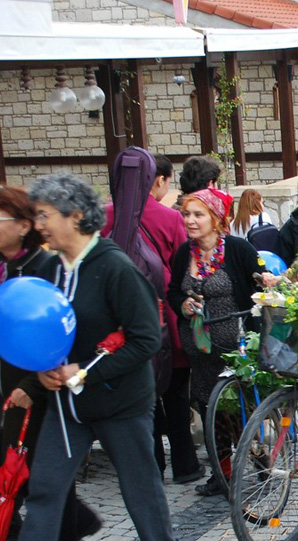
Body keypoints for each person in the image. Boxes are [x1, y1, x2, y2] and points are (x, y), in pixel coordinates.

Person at [0, 174, 181, 541]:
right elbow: (46, 334)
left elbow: (146, 339)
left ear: (75, 216)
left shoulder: (115, 268)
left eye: (45, 215)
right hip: (67, 406)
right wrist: (41, 376)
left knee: (139, 486)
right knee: (45, 488)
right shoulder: (52, 269)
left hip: (120, 403)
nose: (39, 225)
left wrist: (86, 373)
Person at [0, 186, 100, 541]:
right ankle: (79, 522)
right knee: (10, 465)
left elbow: (56, 333)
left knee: (42, 473)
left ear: (23, 226)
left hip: (37, 388)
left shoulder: (44, 268)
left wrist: (33, 384)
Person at [101, 153, 201, 484]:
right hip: (165, 317)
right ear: (154, 180)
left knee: (143, 398)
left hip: (121, 320)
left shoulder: (106, 215)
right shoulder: (170, 218)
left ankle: (152, 464)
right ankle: (185, 464)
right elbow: (183, 267)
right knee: (177, 394)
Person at [168, 188, 265, 497]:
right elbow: (172, 291)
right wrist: (183, 304)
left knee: (241, 409)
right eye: (186, 214)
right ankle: (222, 474)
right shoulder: (184, 254)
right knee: (211, 411)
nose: (190, 221)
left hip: (235, 350)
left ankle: (260, 458)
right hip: (201, 353)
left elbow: (261, 282)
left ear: (216, 218)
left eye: (198, 215)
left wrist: (266, 280)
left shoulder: (238, 249)